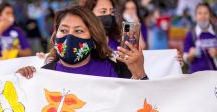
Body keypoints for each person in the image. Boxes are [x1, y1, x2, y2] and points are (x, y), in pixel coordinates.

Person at [17, 6, 147, 80]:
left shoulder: (115, 70)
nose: (70, 36)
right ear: (55, 35)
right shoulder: (44, 75)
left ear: (93, 39)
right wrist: (20, 81)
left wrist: (139, 74)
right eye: (63, 30)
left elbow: (143, 108)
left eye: (78, 31)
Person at [183, 3, 217, 73]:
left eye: (205, 13)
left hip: (214, 76)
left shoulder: (215, 32)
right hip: (196, 78)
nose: (202, 16)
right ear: (195, 16)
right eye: (199, 13)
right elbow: (185, 58)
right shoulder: (191, 34)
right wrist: (190, 55)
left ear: (210, 15)